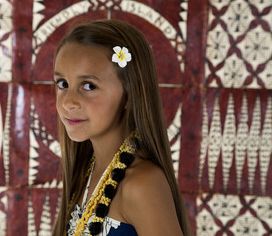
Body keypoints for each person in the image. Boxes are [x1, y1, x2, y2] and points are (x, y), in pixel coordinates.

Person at [52, 19, 191, 236]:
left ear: (129, 94)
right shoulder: (85, 173)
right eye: (63, 84)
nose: (68, 102)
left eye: (88, 86)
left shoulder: (142, 184)